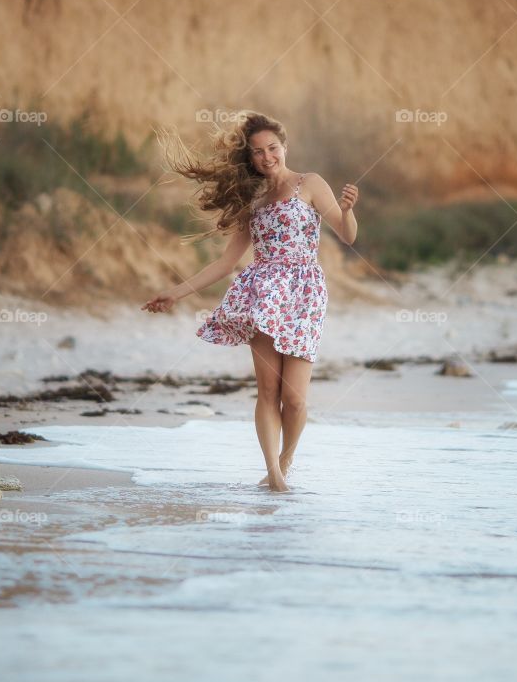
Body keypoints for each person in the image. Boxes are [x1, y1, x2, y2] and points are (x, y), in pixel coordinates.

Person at [141, 111, 358, 492]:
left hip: (305, 294)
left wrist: (349, 210)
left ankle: (286, 461)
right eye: (257, 152)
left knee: (295, 399)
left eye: (272, 148)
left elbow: (347, 234)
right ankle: (274, 473)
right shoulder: (251, 199)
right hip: (262, 294)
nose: (266, 157)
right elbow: (226, 262)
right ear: (250, 158)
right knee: (268, 392)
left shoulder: (310, 183)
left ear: (284, 147)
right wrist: (176, 292)